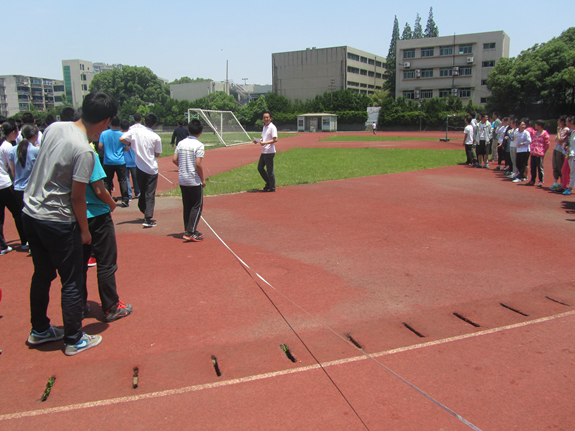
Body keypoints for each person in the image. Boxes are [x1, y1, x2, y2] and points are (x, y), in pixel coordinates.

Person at [22, 91, 118, 356]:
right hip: (57, 220)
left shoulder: (55, 127)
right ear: (106, 120)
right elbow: (77, 197)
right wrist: (85, 231)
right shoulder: (85, 151)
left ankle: (40, 329)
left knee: (42, 274)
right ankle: (75, 338)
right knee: (73, 279)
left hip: (31, 212)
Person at [82, 148, 133, 322]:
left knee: (79, 264)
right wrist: (111, 204)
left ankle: (79, 305)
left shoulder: (60, 152)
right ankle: (111, 306)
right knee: (106, 262)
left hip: (76, 214)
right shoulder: (88, 153)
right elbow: (99, 189)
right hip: (96, 214)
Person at [119, 112, 162, 227]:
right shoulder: (156, 137)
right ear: (155, 124)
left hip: (140, 167)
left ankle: (144, 209)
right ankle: (147, 218)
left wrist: (131, 144)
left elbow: (122, 138)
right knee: (150, 193)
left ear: (144, 121)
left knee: (143, 191)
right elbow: (157, 154)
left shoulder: (136, 131)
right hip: (152, 168)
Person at [173, 119, 205, 242]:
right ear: (201, 132)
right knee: (197, 205)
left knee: (187, 205)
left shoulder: (181, 143)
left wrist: (183, 167)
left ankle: (189, 228)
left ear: (188, 130)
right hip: (194, 179)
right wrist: (202, 179)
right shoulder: (199, 145)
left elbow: (174, 159)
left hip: (182, 178)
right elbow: (198, 164)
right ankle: (190, 231)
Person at [1, 121, 28, 254]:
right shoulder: (8, 147)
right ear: (12, 132)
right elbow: (11, 167)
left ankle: (2, 245)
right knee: (18, 212)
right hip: (5, 183)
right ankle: (24, 241)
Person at [99, 116, 129, 207]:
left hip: (108, 161)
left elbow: (100, 146)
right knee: (123, 180)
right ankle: (125, 199)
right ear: (119, 123)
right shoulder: (122, 135)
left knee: (107, 181)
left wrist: (108, 149)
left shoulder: (104, 134)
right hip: (120, 161)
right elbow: (127, 148)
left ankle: (107, 199)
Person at [9, 124, 40, 208]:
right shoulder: (36, 150)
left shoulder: (13, 149)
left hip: (18, 188)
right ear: (35, 135)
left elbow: (13, 171)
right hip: (32, 189)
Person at [254, 111, 278, 192]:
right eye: (264, 117)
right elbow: (263, 138)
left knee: (269, 170)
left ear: (270, 118)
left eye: (267, 117)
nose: (266, 119)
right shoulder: (264, 127)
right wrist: (258, 140)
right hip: (264, 151)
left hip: (270, 151)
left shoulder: (272, 127)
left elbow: (275, 139)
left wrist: (265, 143)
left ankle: (272, 187)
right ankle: (269, 182)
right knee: (260, 168)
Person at [121, 119, 139, 200]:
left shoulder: (120, 136)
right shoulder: (132, 136)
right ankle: (137, 192)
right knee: (135, 177)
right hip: (133, 159)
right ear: (129, 127)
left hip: (124, 160)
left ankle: (129, 195)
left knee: (126, 179)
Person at [550, 116, 570, 191]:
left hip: (561, 150)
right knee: (555, 166)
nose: (557, 121)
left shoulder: (566, 130)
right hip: (556, 148)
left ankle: (562, 183)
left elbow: (560, 140)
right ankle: (555, 182)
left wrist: (558, 132)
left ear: (562, 121)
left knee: (561, 167)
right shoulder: (561, 129)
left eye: (559, 120)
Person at [528, 120, 550, 186]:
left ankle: (541, 181)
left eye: (536, 124)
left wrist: (543, 152)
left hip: (540, 153)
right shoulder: (535, 133)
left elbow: (547, 144)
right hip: (533, 152)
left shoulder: (545, 134)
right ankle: (532, 180)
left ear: (540, 125)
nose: (535, 125)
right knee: (533, 167)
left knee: (540, 168)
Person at [561, 116, 575, 195]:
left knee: (573, 172)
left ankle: (570, 188)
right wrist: (568, 147)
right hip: (571, 154)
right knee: (572, 172)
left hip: (573, 155)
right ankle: (570, 187)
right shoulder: (572, 132)